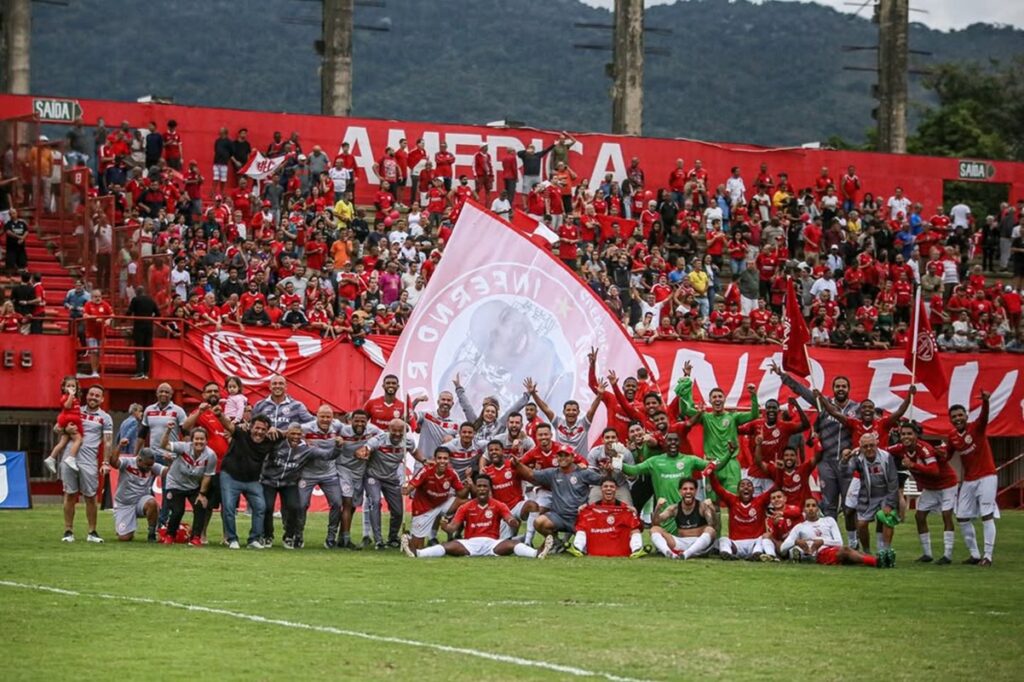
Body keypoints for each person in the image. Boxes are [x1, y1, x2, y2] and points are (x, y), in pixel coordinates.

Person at [770, 360, 860, 545]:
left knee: (850, 506)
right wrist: (782, 375)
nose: (840, 389)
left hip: (847, 462)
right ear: (833, 388)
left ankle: (852, 541)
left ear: (848, 389)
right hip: (826, 461)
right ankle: (829, 541)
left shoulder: (856, 409)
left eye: (844, 386)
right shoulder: (822, 403)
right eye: (837, 386)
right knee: (829, 505)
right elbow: (802, 390)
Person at [402, 472, 554, 559]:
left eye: (485, 486)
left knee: (512, 545)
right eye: (479, 486)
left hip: (492, 544)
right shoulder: (466, 506)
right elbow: (453, 528)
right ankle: (418, 553)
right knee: (447, 546)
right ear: (476, 487)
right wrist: (445, 527)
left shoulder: (499, 505)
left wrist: (513, 522)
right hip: (470, 544)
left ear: (489, 488)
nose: (481, 489)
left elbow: (509, 519)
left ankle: (536, 553)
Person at [676, 360, 759, 501]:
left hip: (731, 464)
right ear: (710, 401)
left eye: (720, 396)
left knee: (733, 501)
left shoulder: (733, 417)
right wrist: (686, 379)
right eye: (714, 397)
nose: (717, 399)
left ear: (724, 399)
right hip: (712, 464)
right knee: (711, 503)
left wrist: (753, 395)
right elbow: (685, 409)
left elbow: (753, 415)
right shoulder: (706, 417)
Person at [259, 422, 342, 549]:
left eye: (298, 434)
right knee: (267, 507)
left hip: (289, 483)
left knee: (295, 507)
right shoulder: (277, 443)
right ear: (287, 433)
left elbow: (327, 455)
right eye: (292, 433)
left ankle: (289, 536)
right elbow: (259, 443)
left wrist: (338, 447)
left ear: (302, 435)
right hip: (269, 481)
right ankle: (267, 535)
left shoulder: (307, 449)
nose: (295, 437)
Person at [891, 422, 958, 564]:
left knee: (946, 515)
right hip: (930, 488)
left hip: (946, 484)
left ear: (916, 435)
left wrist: (913, 465)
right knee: (919, 516)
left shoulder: (925, 449)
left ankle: (948, 555)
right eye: (903, 434)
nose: (906, 437)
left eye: (909, 433)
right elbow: (885, 450)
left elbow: (934, 470)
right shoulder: (900, 448)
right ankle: (927, 554)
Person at [515, 447, 610, 547]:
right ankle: (557, 543)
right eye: (560, 455)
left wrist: (608, 472)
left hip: (579, 519)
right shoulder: (552, 473)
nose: (562, 458)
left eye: (566, 455)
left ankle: (578, 541)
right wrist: (517, 464)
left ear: (573, 458)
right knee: (539, 522)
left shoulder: (584, 473)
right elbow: (531, 474)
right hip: (558, 517)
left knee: (593, 545)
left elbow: (603, 481)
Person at [617, 431, 708, 533]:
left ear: (680, 443)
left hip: (686, 513)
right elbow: (633, 470)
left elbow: (712, 466)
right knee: (658, 536)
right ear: (664, 443)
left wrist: (727, 454)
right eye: (669, 440)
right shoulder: (654, 462)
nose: (673, 442)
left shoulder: (690, 460)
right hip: (664, 516)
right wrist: (616, 461)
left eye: (675, 440)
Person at [946, 390, 997, 566]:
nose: (958, 418)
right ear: (950, 419)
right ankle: (975, 555)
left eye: (960, 415)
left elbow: (985, 416)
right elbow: (945, 456)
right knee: (961, 516)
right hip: (968, 479)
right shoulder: (952, 437)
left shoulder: (976, 427)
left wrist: (986, 402)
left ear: (966, 416)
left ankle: (988, 556)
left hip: (987, 476)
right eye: (954, 416)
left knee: (986, 515)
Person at [59, 385, 112, 544]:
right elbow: (57, 427)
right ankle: (68, 531)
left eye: (97, 396)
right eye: (91, 394)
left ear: (102, 399)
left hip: (89, 460)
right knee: (70, 494)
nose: (93, 398)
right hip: (70, 456)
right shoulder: (75, 410)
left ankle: (92, 532)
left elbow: (108, 442)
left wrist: (105, 462)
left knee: (90, 496)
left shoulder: (105, 417)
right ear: (86, 396)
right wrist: (65, 429)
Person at [358, 419, 420, 549]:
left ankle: (392, 538)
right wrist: (364, 452)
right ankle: (378, 540)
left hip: (391, 478)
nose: (397, 434)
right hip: (373, 476)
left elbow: (415, 452)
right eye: (394, 431)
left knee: (398, 511)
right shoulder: (379, 439)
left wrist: (425, 460)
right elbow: (367, 447)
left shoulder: (408, 442)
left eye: (400, 431)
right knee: (375, 502)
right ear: (388, 430)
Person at [218, 414, 276, 549]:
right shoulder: (241, 433)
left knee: (261, 507)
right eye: (257, 428)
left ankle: (254, 540)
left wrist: (277, 430)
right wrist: (219, 415)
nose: (260, 432)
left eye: (263, 429)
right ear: (250, 427)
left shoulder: (270, 439)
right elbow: (229, 426)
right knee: (229, 508)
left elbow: (291, 433)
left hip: (252, 480)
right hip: (230, 476)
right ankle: (232, 539)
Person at [841, 433, 899, 564]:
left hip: (885, 493)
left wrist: (890, 503)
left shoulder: (886, 457)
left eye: (871, 445)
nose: (868, 449)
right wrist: (845, 460)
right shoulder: (858, 459)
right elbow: (845, 472)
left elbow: (893, 481)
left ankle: (886, 551)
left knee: (887, 518)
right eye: (865, 446)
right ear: (860, 447)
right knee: (861, 524)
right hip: (868, 496)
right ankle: (866, 552)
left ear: (876, 444)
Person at [706, 459, 777, 561]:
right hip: (736, 544)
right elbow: (717, 488)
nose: (746, 488)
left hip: (754, 542)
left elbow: (776, 487)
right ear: (738, 490)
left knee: (762, 539)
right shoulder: (732, 500)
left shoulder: (760, 501)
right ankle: (727, 554)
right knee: (723, 539)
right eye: (742, 485)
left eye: (749, 485)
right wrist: (711, 473)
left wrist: (779, 470)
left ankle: (757, 554)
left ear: (753, 490)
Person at [780, 498, 883, 567]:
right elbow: (782, 548)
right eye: (807, 506)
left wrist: (822, 541)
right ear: (804, 510)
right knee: (847, 551)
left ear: (817, 509)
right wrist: (796, 542)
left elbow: (839, 542)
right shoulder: (800, 527)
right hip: (821, 554)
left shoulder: (829, 520)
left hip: (834, 549)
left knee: (854, 556)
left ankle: (879, 561)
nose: (811, 508)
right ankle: (877, 562)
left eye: (813, 505)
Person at [332, 409, 383, 550]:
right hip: (343, 469)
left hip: (359, 472)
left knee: (353, 506)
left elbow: (384, 436)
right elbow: (330, 427)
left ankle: (341, 538)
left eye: (363, 421)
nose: (360, 424)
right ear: (350, 421)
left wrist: (369, 447)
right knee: (347, 502)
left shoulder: (372, 430)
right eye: (357, 421)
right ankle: (346, 540)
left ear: (367, 422)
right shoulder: (343, 430)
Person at [297, 405, 346, 548]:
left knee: (337, 503)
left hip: (329, 474)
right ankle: (298, 535)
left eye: (328, 417)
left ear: (333, 418)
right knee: (301, 505)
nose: (325, 420)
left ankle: (331, 537)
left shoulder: (337, 426)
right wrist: (300, 441)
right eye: (322, 416)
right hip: (307, 474)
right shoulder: (306, 428)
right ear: (316, 416)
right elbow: (290, 434)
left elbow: (351, 428)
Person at [159, 427, 217, 546]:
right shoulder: (183, 447)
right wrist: (168, 431)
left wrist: (202, 494)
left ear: (206, 441)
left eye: (202, 439)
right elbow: (164, 445)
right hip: (175, 483)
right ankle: (170, 535)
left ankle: (196, 537)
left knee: (201, 505)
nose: (199, 442)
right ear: (192, 440)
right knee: (178, 510)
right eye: (196, 439)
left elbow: (207, 476)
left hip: (193, 486)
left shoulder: (211, 455)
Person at [404, 447, 465, 551]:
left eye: (445, 458)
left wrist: (469, 485)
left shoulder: (452, 473)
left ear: (449, 460)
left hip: (442, 504)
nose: (442, 461)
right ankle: (409, 539)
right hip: (423, 508)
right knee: (418, 549)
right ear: (434, 459)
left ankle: (460, 533)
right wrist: (406, 489)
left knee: (468, 503)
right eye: (439, 458)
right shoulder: (426, 471)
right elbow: (411, 486)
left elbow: (461, 493)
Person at [567, 478, 646, 558]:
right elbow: (578, 525)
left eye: (612, 487)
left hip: (617, 544)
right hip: (598, 541)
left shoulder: (626, 508)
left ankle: (637, 549)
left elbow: (640, 527)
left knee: (635, 530)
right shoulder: (591, 508)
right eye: (606, 486)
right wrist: (581, 511)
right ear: (601, 489)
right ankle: (578, 547)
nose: (608, 489)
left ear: (616, 489)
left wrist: (635, 514)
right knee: (582, 528)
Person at [527, 378, 602, 455]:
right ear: (564, 412)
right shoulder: (558, 422)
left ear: (578, 412)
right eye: (568, 410)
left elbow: (592, 409)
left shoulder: (584, 424)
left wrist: (599, 395)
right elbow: (545, 409)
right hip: (561, 464)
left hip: (580, 465)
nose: (571, 412)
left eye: (574, 410)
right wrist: (534, 394)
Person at [481, 439, 538, 539]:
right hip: (502, 511)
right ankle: (520, 539)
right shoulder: (487, 472)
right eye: (491, 450)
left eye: (496, 449)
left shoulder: (513, 465)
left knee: (532, 505)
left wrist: (520, 465)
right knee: (502, 543)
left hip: (517, 506)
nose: (493, 452)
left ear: (502, 451)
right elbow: (488, 497)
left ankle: (528, 541)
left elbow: (530, 477)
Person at [649, 478, 717, 560]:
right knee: (654, 529)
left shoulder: (702, 507)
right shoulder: (674, 508)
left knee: (710, 530)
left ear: (696, 491)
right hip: (681, 543)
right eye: (685, 489)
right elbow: (655, 523)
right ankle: (668, 552)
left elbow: (713, 525)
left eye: (691, 489)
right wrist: (657, 508)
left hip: (699, 544)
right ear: (680, 491)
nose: (688, 491)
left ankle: (686, 554)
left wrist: (712, 509)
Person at [109, 447, 163, 542]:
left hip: (141, 501)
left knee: (152, 503)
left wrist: (172, 462)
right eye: (147, 465)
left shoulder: (152, 467)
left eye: (151, 465)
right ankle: (128, 528)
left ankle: (152, 533)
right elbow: (114, 463)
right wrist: (120, 446)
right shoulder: (127, 462)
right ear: (139, 459)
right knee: (124, 538)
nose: (149, 468)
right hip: (124, 504)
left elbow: (168, 472)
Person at [753, 440, 822, 507]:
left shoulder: (803, 469)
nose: (789, 458)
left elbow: (817, 457)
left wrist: (816, 440)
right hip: (784, 512)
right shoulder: (776, 470)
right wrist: (758, 445)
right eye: (786, 455)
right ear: (782, 457)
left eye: (792, 455)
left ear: (796, 457)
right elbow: (759, 463)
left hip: (803, 512)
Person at [44, 376, 83, 475]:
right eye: (68, 386)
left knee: (62, 442)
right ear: (64, 388)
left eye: (73, 386)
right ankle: (71, 458)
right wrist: (70, 395)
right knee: (78, 439)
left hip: (70, 419)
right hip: (69, 420)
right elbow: (67, 406)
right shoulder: (65, 397)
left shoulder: (76, 398)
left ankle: (51, 458)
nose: (71, 388)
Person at [126, 286, 159, 379]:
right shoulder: (151, 300)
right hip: (149, 327)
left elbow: (129, 312)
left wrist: (124, 318)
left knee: (138, 349)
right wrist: (150, 318)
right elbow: (158, 314)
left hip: (139, 327)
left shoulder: (135, 300)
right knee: (147, 350)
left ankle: (139, 371)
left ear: (137, 292)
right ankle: (146, 372)